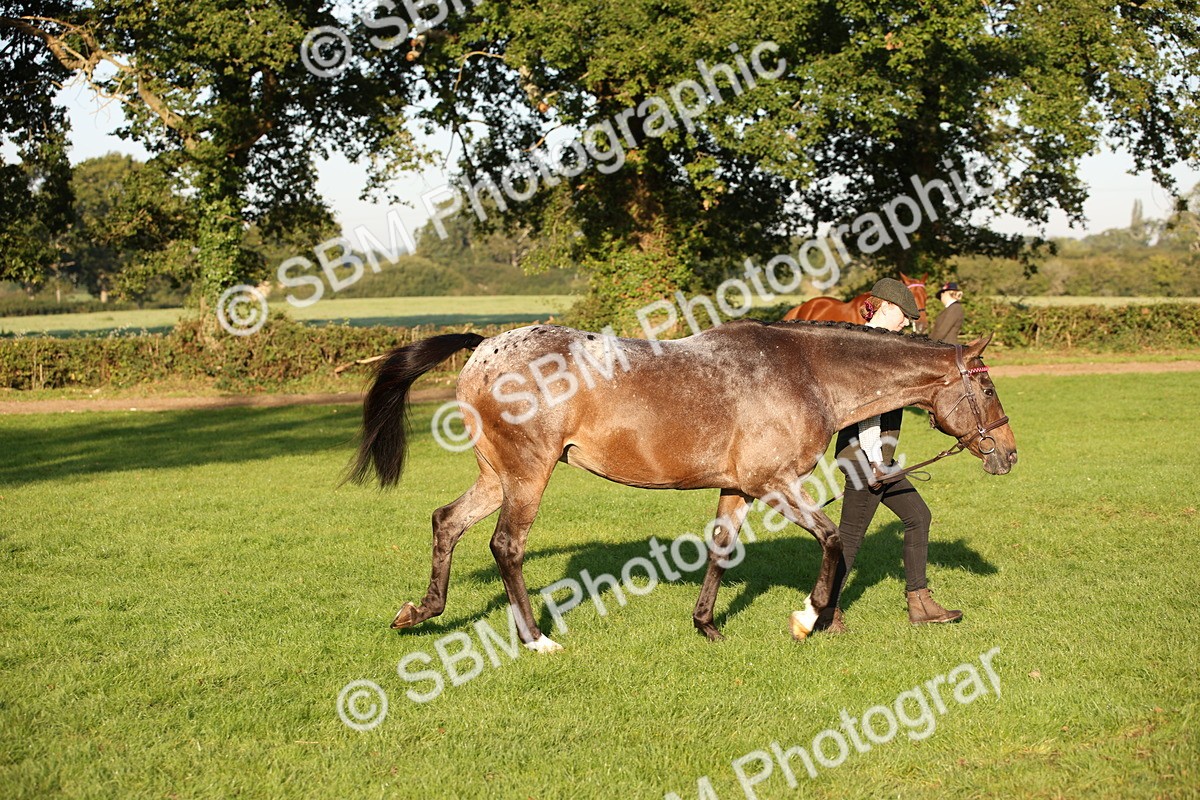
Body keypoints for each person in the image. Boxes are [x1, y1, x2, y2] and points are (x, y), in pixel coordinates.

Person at [815, 277, 962, 634]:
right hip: (861, 455)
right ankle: (824, 611)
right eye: (904, 316)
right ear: (888, 307)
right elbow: (866, 410)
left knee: (918, 517)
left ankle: (919, 601)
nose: (907, 323)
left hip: (875, 456)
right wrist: (876, 461)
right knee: (851, 535)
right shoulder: (864, 346)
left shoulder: (885, 344)